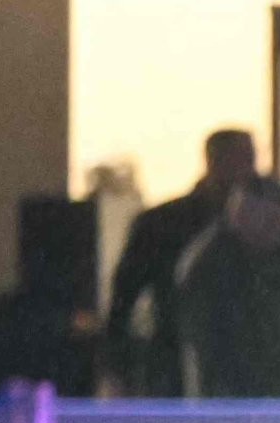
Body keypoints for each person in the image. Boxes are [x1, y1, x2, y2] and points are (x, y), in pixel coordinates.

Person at [158, 173, 280, 423]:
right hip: (223, 398)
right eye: (270, 222)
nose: (278, 230)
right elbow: (203, 345)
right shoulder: (207, 264)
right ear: (242, 214)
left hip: (272, 389)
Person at [101, 129, 258, 403]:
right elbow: (123, 300)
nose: (250, 170)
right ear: (214, 161)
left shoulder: (263, 231)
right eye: (241, 158)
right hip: (175, 364)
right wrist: (116, 368)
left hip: (245, 372)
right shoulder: (162, 224)